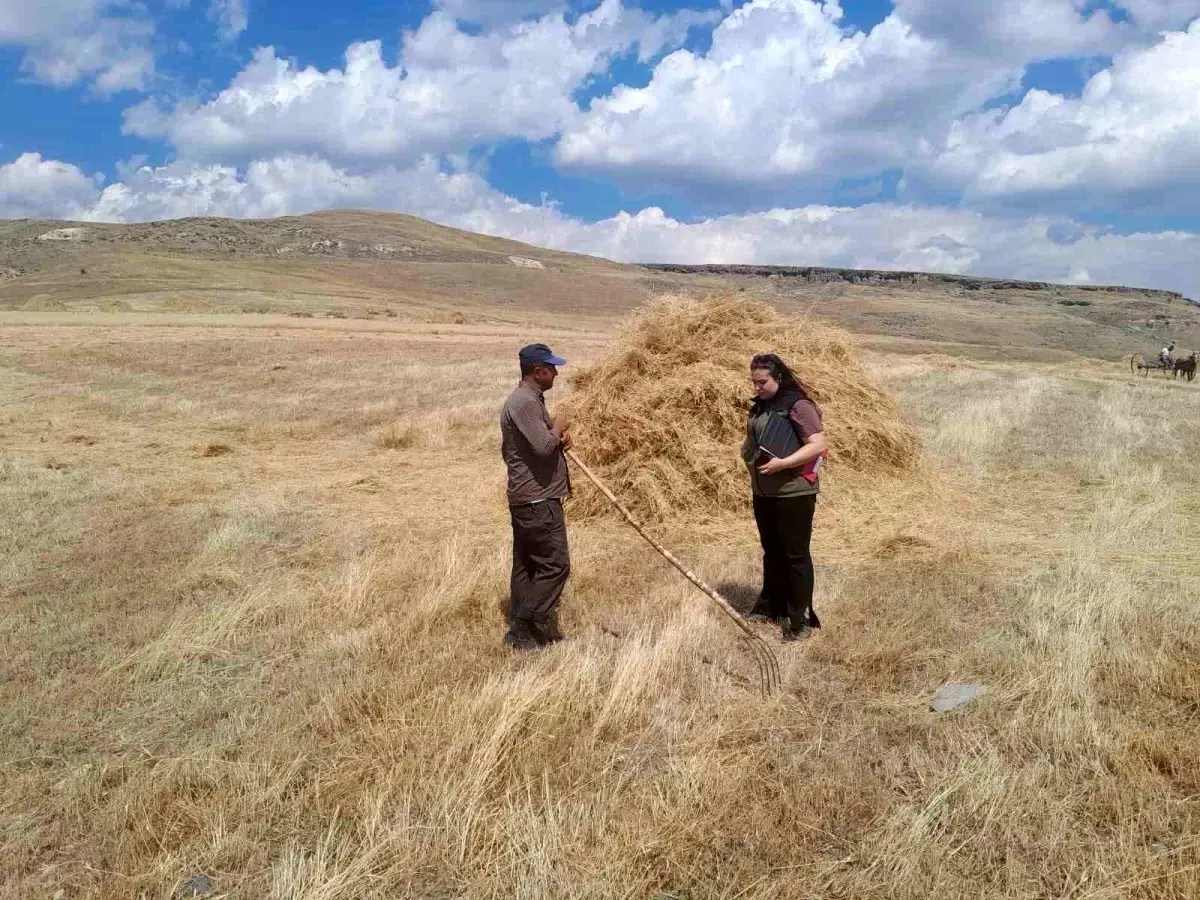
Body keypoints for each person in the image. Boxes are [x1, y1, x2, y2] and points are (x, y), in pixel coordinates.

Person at [740, 353, 828, 642]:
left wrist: (784, 463)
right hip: (764, 491)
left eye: (762, 382)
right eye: (754, 382)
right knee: (772, 551)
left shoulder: (798, 405)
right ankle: (771, 607)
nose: (757, 387)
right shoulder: (762, 406)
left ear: (778, 378)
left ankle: (800, 618)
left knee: (795, 555)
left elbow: (818, 444)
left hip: (794, 492)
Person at [499, 343, 574, 650]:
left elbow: (535, 445)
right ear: (538, 371)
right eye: (552, 368)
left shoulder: (528, 400)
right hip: (537, 501)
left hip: (528, 499)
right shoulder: (524, 403)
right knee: (556, 565)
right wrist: (557, 428)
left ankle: (525, 631)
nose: (556, 373)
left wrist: (556, 438)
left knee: (528, 566)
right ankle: (523, 626)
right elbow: (543, 447)